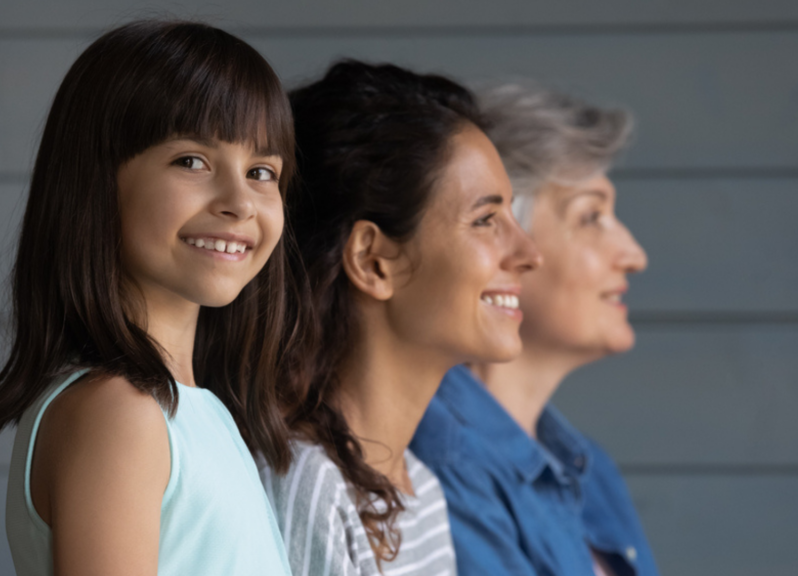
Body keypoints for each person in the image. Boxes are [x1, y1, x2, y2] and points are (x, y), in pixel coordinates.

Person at [0, 20, 298, 575]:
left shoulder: (196, 411)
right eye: (192, 161)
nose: (240, 201)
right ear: (96, 181)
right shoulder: (118, 413)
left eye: (262, 171)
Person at [255, 61, 542, 576]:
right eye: (486, 220)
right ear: (373, 261)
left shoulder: (419, 488)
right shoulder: (306, 484)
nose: (527, 253)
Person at [410, 82, 658, 576]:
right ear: (499, 239)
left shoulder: (591, 470)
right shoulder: (438, 463)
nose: (635, 255)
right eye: (592, 217)